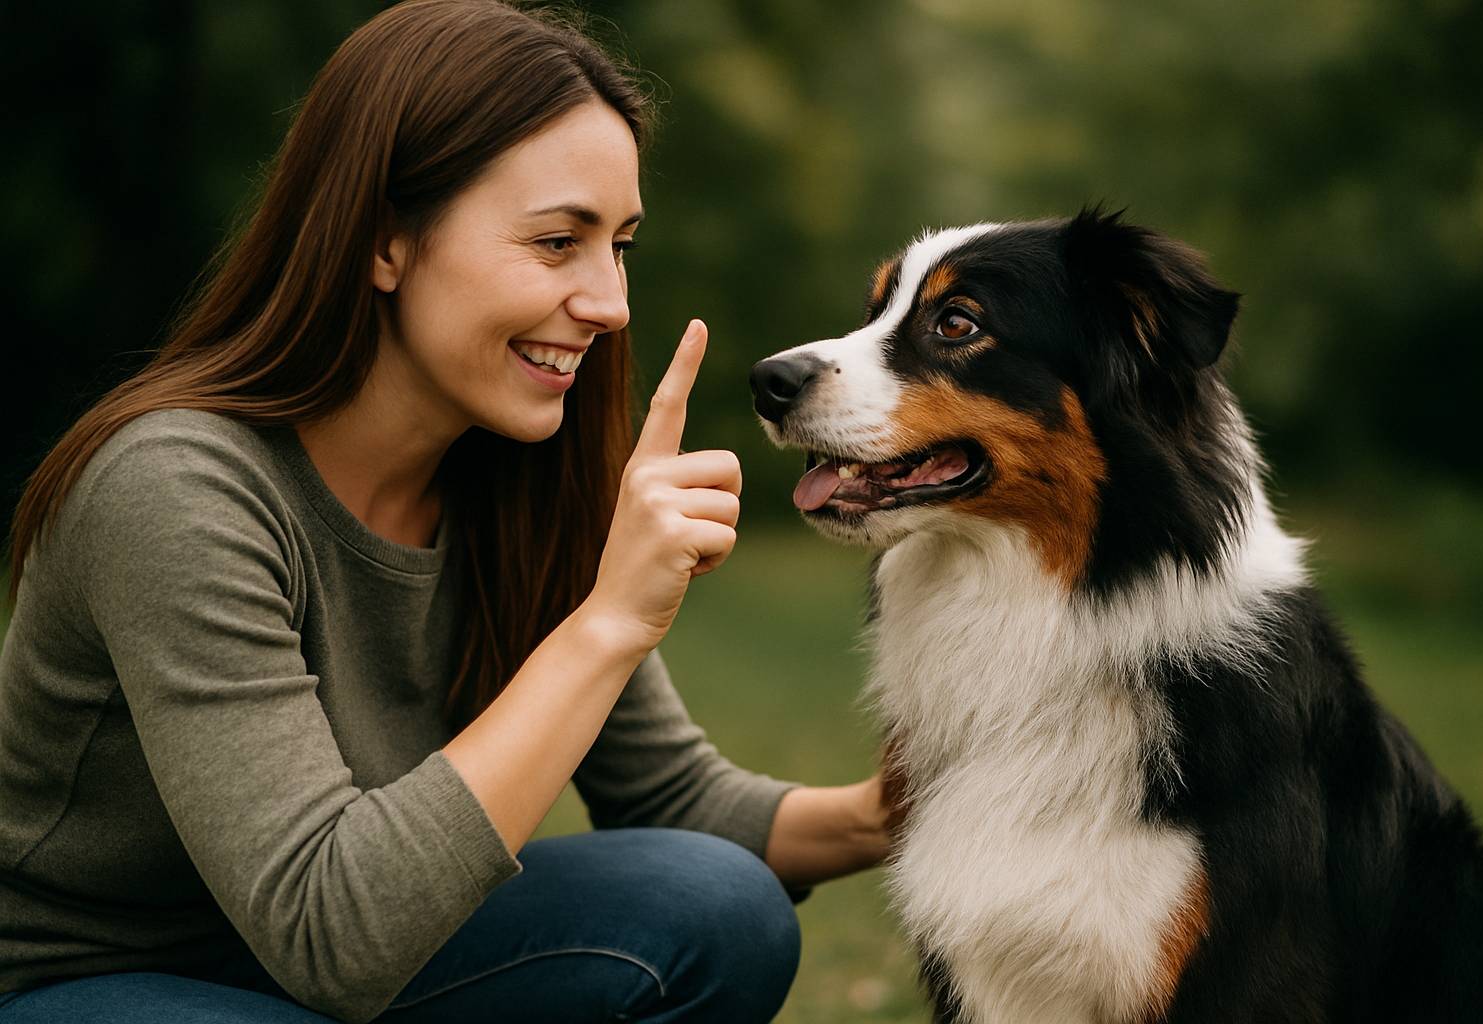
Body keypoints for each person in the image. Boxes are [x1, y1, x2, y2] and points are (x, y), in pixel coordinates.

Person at [0, 2, 891, 1021]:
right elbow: (329, 929)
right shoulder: (174, 489)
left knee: (716, 904)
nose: (609, 301)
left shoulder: (520, 477)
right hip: (95, 983)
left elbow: (675, 804)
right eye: (558, 241)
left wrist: (887, 813)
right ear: (386, 242)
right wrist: (605, 623)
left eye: (621, 246)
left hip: (355, 960)